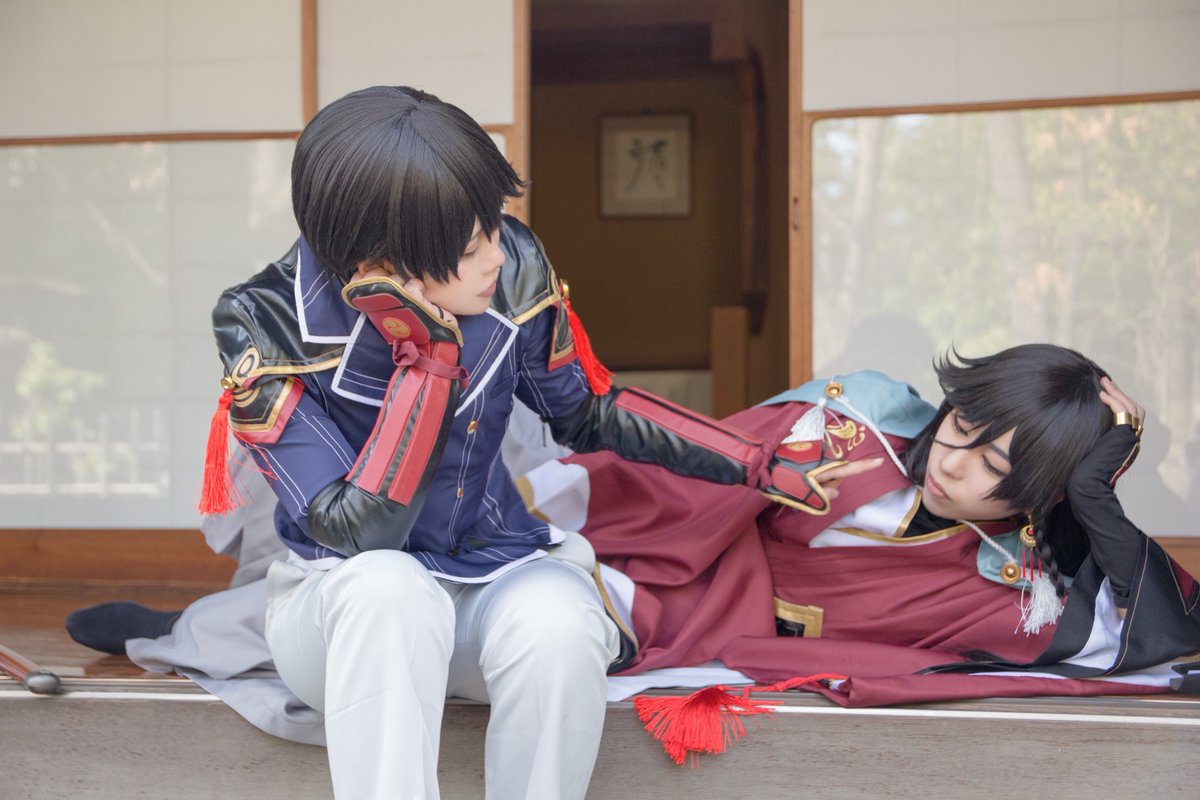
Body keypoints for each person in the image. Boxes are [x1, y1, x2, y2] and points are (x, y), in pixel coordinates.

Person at [94, 85, 841, 800]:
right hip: (344, 612)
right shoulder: (263, 320)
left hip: (491, 581)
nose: (497, 255)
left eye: (494, 222)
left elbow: (589, 412)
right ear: (379, 260)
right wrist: (426, 363)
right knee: (390, 589)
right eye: (471, 240)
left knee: (559, 618)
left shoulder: (511, 268)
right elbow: (356, 533)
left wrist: (757, 461)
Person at [528, 343, 1200, 713]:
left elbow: (1165, 639)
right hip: (659, 575)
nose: (952, 463)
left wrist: (1094, 496)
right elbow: (674, 482)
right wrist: (518, 507)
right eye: (961, 425)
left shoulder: (1016, 587)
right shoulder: (853, 427)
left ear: (1044, 496)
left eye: (993, 465)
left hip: (725, 652)